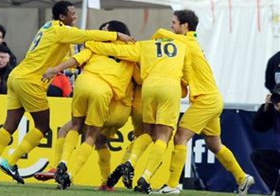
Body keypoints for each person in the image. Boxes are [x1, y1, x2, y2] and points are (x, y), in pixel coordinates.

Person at [0, 1, 133, 186]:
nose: (75, 16)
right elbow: (87, 34)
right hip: (31, 81)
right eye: (72, 14)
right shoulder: (61, 30)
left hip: (16, 76)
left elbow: (56, 54)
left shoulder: (48, 27)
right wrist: (117, 35)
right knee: (43, 127)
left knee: (9, 125)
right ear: (61, 17)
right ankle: (10, 162)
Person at [151, 10, 254, 195]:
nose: (171, 26)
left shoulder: (187, 42)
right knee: (215, 145)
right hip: (213, 98)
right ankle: (242, 177)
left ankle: (172, 185)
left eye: (174, 23)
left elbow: (159, 32)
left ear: (185, 26)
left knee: (180, 137)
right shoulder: (191, 42)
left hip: (205, 100)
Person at [84, 27, 191, 193]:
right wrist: (185, 88)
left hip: (145, 93)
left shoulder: (145, 45)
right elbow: (188, 76)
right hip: (169, 88)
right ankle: (144, 176)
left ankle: (129, 163)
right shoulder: (183, 46)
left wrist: (92, 44)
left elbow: (117, 51)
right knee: (163, 137)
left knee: (146, 135)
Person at [40, 20, 135, 190]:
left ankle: (61, 167)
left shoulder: (95, 46)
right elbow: (140, 78)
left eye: (104, 31)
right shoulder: (134, 52)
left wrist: (55, 69)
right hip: (121, 108)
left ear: (115, 32)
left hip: (99, 95)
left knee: (70, 129)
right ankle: (106, 182)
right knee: (99, 140)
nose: (101, 33)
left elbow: (76, 59)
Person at [251, 84, 280, 195]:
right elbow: (258, 127)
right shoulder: (272, 110)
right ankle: (278, 189)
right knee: (257, 156)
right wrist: (265, 109)